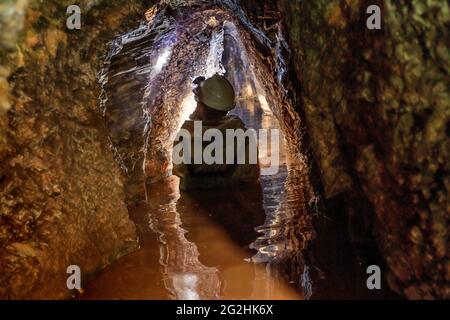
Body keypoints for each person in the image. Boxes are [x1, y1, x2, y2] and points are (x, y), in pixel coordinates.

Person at [173, 74, 259, 191]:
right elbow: (252, 178)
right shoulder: (246, 139)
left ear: (202, 108)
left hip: (196, 204)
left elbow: (180, 170)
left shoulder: (184, 139)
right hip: (233, 204)